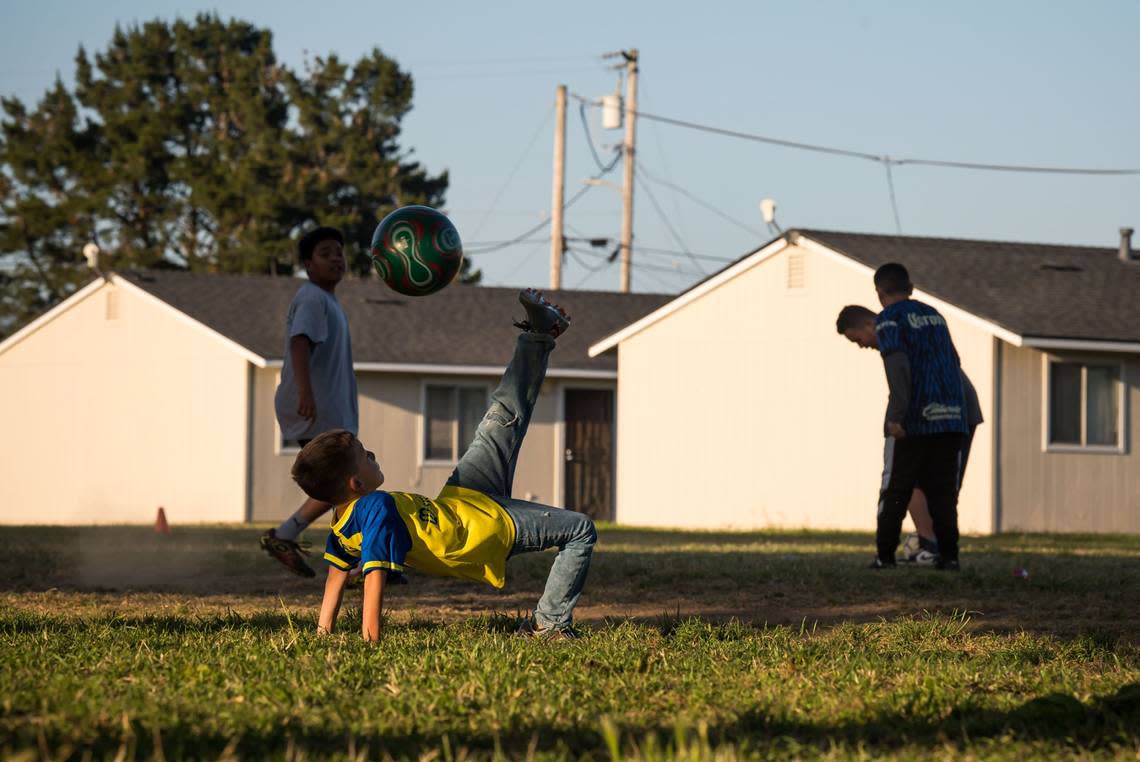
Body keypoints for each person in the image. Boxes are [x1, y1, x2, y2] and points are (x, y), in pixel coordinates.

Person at [295, 289, 596, 641]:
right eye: (365, 456)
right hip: (480, 532)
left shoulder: (341, 526)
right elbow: (373, 577)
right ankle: (549, 624)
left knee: (501, 417)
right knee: (580, 530)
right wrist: (370, 639)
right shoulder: (373, 508)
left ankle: (540, 333)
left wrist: (322, 633)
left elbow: (335, 577)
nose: (372, 455)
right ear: (355, 485)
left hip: (462, 499)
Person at [836, 304, 983, 565]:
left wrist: (895, 416)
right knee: (941, 488)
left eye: (857, 339)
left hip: (935, 414)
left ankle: (922, 545)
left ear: (871, 325)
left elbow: (899, 372)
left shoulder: (891, 326)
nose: (861, 346)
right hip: (955, 413)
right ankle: (945, 553)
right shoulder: (931, 328)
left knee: (908, 484)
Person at [260, 226, 358, 578]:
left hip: (327, 410)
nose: (336, 258)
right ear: (308, 264)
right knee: (350, 483)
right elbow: (299, 343)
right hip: (312, 409)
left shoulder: (329, 301)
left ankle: (286, 536)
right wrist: (305, 392)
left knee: (346, 485)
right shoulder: (312, 298)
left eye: (339, 252)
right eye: (326, 253)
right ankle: (360, 565)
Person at [863, 263, 968, 571]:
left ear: (880, 292)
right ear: (910, 287)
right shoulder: (936, 316)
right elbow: (954, 360)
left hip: (916, 418)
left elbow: (897, 366)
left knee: (897, 488)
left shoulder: (889, 320)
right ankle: (949, 557)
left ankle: (884, 556)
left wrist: (896, 415)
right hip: (952, 417)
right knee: (943, 493)